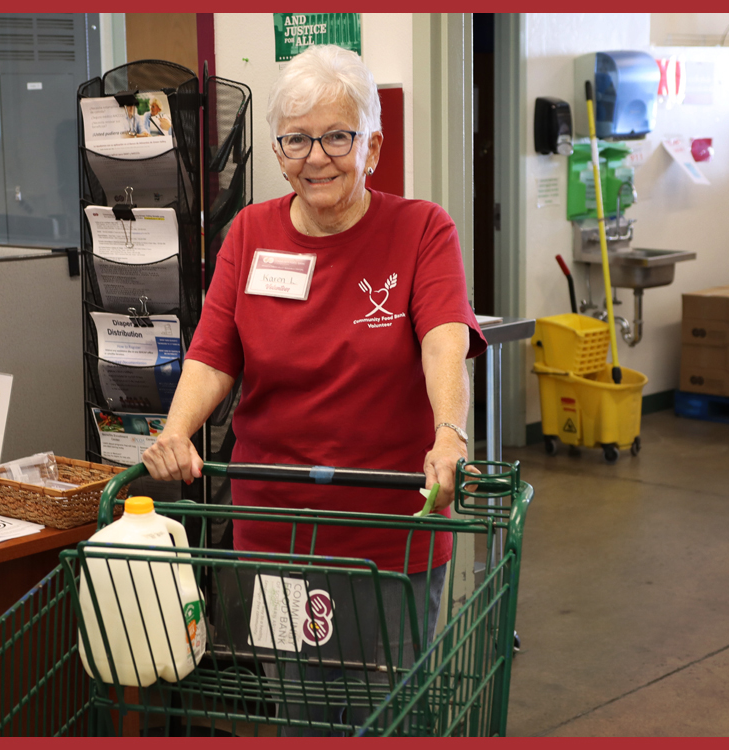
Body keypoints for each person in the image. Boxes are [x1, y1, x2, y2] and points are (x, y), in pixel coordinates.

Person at [142, 44, 486, 734]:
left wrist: (450, 431)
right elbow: (214, 353)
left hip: (388, 531)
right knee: (301, 710)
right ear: (277, 149)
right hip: (276, 532)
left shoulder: (421, 229)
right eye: (296, 139)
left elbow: (443, 336)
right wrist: (176, 431)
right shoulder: (249, 234)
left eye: (337, 136)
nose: (316, 157)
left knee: (390, 713)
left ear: (373, 146)